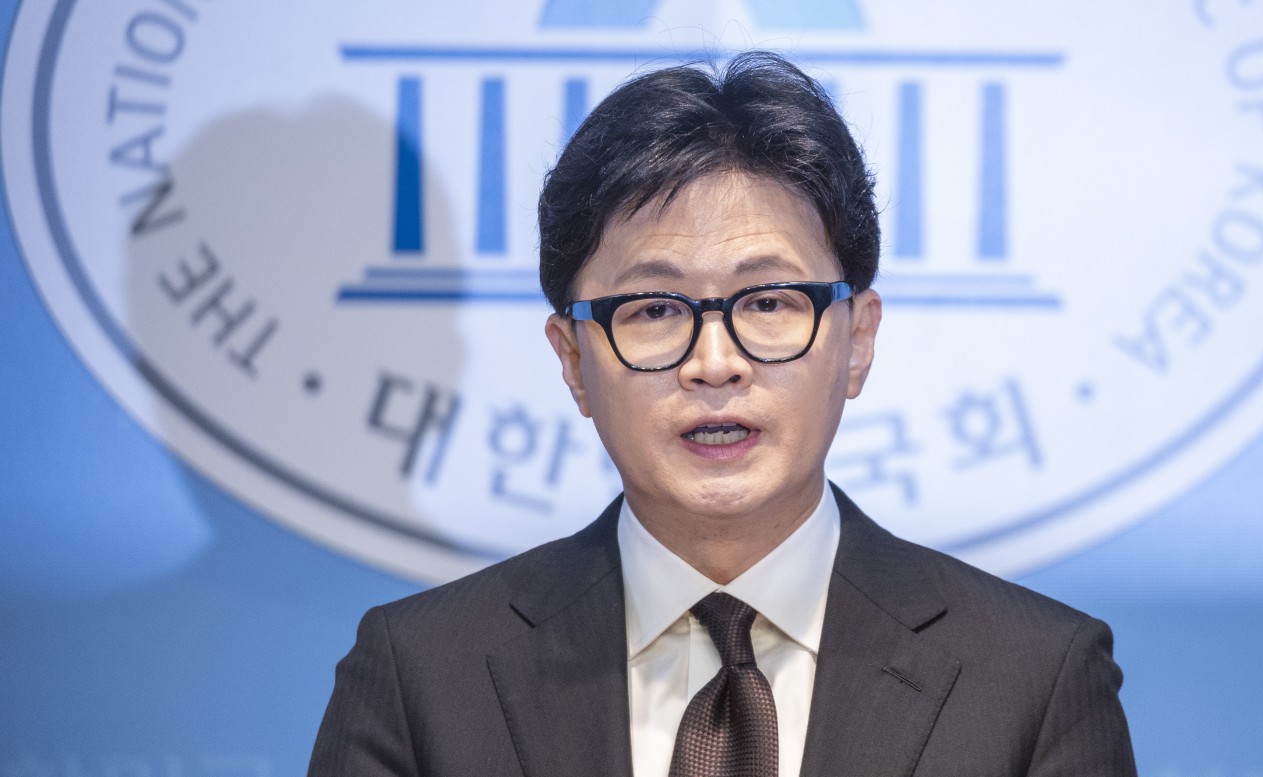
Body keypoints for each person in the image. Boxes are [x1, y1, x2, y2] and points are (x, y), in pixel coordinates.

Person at [309, 51, 1136, 777]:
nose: (714, 362)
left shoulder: (1033, 679)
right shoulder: (422, 677)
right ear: (573, 360)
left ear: (857, 339)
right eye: (654, 309)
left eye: (769, 301)